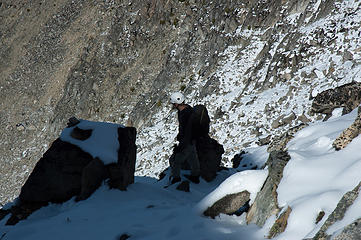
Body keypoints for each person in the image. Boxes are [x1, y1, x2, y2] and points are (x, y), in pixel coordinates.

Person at [168, 92, 200, 184]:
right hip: (190, 140)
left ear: (176, 103)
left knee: (176, 160)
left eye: (173, 103)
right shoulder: (186, 110)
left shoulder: (185, 114)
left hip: (187, 140)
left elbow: (187, 130)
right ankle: (195, 176)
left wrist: (182, 144)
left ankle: (176, 179)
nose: (173, 105)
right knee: (192, 157)